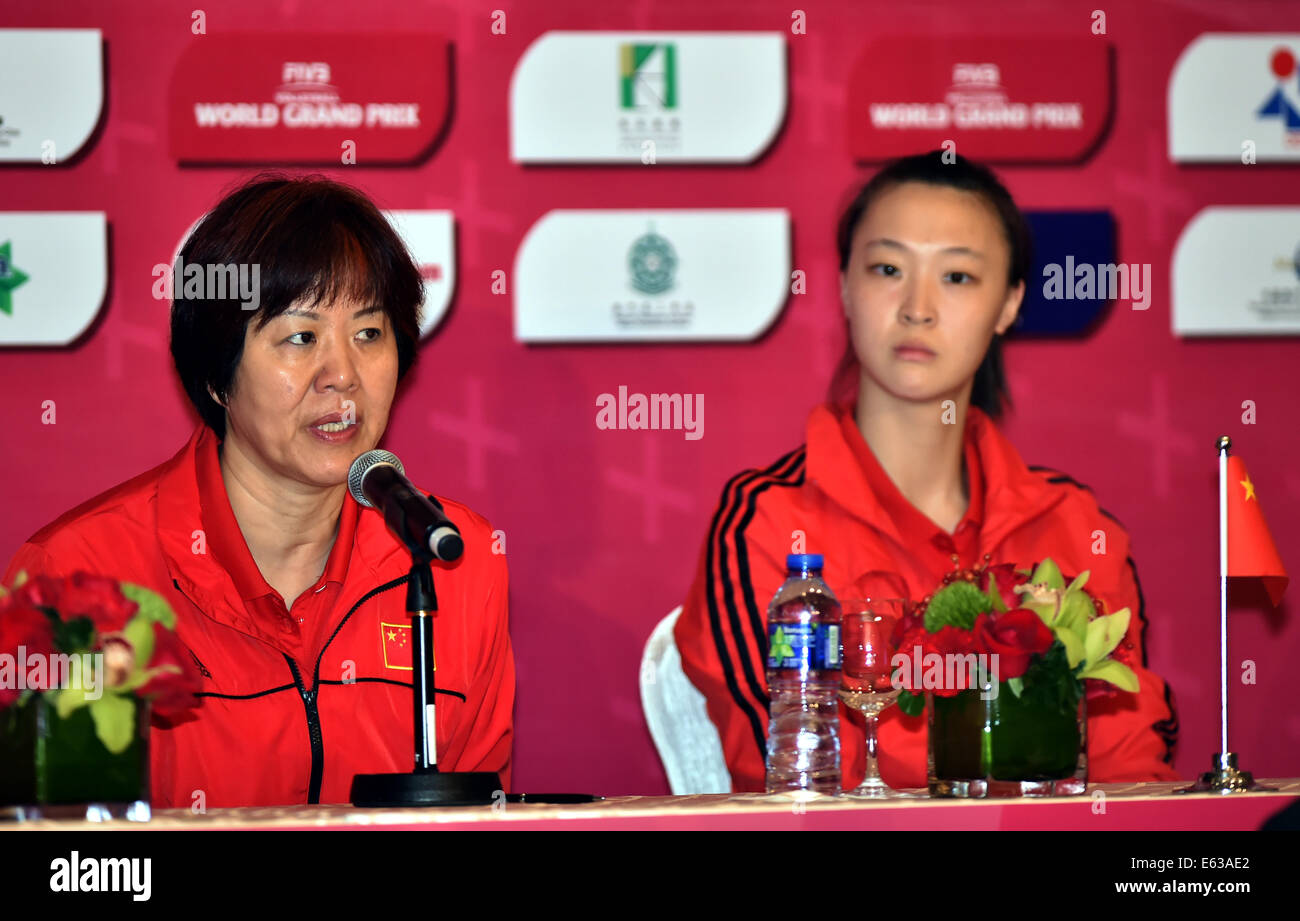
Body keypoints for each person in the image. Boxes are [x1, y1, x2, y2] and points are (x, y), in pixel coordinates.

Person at [674, 150, 1180, 792]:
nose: (918, 307)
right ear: (843, 289)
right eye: (888, 268)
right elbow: (795, 779)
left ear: (1010, 303)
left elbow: (1130, 771)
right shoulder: (767, 523)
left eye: (959, 277)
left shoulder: (1077, 528)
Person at [3, 174, 514, 807]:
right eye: (301, 338)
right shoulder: (81, 577)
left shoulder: (450, 558)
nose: (343, 376)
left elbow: (484, 821)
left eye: (369, 333)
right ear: (218, 376)